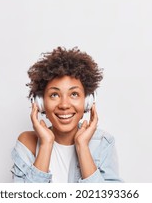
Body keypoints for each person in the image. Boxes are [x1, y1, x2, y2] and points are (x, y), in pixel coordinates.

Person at [11, 46, 122, 183]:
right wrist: (46, 144)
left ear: (87, 101)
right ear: (40, 103)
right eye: (54, 95)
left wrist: (82, 146)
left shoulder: (102, 143)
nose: (64, 105)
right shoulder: (28, 143)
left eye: (74, 94)